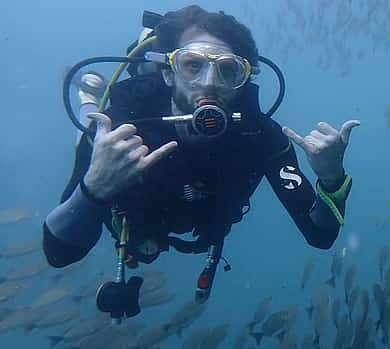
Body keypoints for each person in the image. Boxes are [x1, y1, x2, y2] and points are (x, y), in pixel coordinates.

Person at [43, 5, 359, 314]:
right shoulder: (116, 131)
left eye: (228, 69)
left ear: (243, 79)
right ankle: (89, 96)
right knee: (93, 121)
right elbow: (58, 253)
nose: (209, 82)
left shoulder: (260, 137)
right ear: (168, 73)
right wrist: (95, 187)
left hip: (198, 223)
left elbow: (320, 235)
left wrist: (332, 179)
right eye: (192, 65)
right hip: (134, 223)